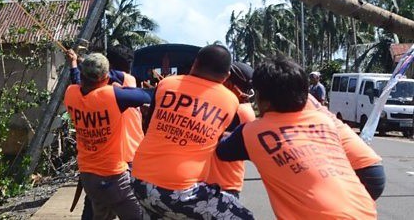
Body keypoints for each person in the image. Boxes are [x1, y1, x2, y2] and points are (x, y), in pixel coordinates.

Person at [217, 56, 377, 219]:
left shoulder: (252, 132)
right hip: (365, 211)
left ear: (262, 98)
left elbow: (221, 150)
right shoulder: (324, 121)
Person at [131, 44, 253, 219]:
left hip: (138, 181)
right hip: (179, 192)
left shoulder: (167, 83)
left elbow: (149, 124)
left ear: (195, 63)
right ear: (226, 77)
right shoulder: (230, 101)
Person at [64, 53, 153, 220]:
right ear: (106, 78)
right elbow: (149, 95)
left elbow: (76, 80)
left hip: (88, 176)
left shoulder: (71, 94)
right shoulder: (113, 96)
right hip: (113, 177)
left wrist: (74, 64)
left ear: (83, 75)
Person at [205, 61, 256, 198]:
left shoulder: (241, 111)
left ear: (229, 84)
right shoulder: (231, 105)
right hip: (210, 181)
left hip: (223, 185)